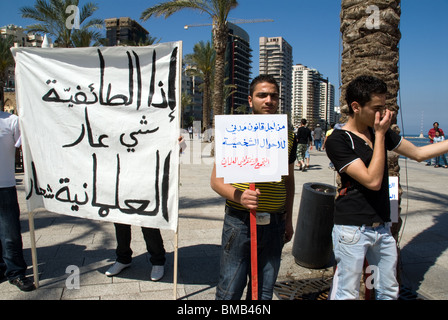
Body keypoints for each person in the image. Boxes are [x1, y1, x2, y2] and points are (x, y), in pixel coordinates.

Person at [326, 75, 448, 300]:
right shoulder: (338, 139)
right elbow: (372, 181)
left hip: (381, 226)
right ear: (356, 106)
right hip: (352, 228)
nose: (384, 114)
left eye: (385, 107)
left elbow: (419, 154)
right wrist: (381, 135)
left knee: (389, 290)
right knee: (347, 292)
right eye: (377, 108)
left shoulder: (376, 131)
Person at [210, 75, 297, 300]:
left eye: (274, 96)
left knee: (262, 293)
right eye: (262, 95)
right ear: (250, 100)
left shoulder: (287, 134)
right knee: (230, 290)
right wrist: (239, 196)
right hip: (239, 221)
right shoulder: (232, 131)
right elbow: (216, 181)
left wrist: (288, 219)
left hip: (275, 222)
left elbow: (289, 180)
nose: (269, 100)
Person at [105, 136, 187, 281]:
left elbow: (177, 147)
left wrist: (179, 144)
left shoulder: (151, 120)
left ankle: (157, 261)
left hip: (146, 178)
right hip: (121, 177)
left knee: (148, 222)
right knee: (120, 221)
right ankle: (123, 258)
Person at [0, 111, 35, 291]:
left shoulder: (11, 121)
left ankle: (16, 273)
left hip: (4, 186)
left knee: (10, 234)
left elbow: (26, 145)